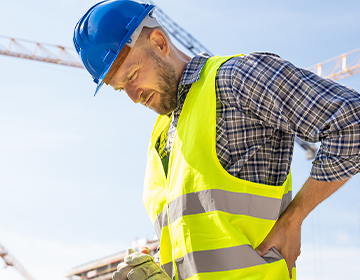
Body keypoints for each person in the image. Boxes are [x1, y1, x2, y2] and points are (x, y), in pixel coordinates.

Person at [73, 1, 360, 279]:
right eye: (121, 89)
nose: (134, 97)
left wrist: (295, 216)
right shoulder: (161, 135)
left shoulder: (236, 79)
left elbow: (352, 121)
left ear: (160, 43)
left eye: (133, 76)